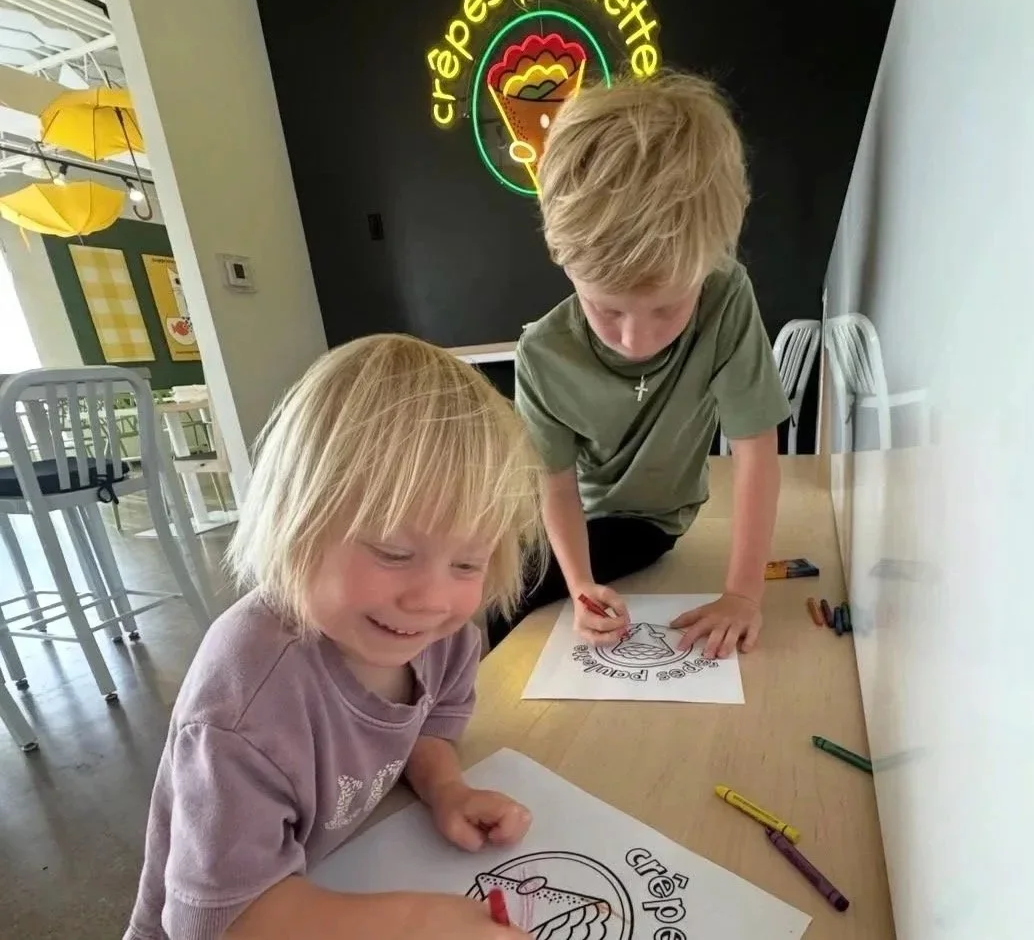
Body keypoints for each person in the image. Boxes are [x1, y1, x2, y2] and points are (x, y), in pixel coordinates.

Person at [124, 335, 541, 940]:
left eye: (467, 564)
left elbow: (431, 722)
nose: (431, 599)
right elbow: (211, 921)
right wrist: (415, 922)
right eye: (393, 552)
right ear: (296, 523)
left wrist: (445, 787)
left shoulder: (438, 635)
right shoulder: (245, 707)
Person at [490, 71, 790, 660]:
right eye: (607, 309)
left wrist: (742, 595)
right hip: (571, 517)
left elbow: (756, 450)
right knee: (487, 570)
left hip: (648, 523)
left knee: (511, 583)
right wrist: (580, 586)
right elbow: (554, 485)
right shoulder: (542, 354)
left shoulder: (726, 295)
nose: (635, 340)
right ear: (565, 265)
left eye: (668, 308)